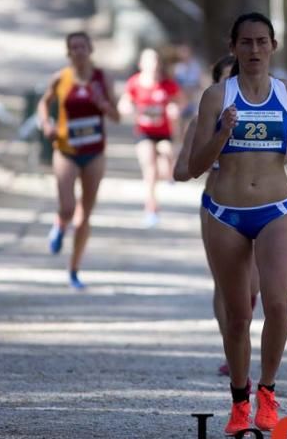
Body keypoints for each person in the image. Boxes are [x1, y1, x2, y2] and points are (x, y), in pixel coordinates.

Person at [189, 12, 287, 436]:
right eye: (245, 43)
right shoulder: (216, 97)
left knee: (278, 304)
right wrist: (221, 133)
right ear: (233, 48)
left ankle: (268, 392)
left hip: (275, 210)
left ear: (273, 47)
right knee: (236, 317)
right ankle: (238, 400)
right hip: (225, 213)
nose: (254, 50)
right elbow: (196, 165)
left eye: (261, 42)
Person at [173, 55, 259, 377]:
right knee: (226, 285)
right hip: (216, 206)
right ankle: (233, 349)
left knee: (252, 287)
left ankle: (238, 336)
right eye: (223, 82)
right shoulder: (200, 123)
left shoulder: (259, 117)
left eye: (233, 81)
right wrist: (205, 160)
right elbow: (180, 170)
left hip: (255, 204)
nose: (229, 89)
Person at [37, 32, 120, 290]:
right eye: (73, 47)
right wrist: (46, 123)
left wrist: (102, 104)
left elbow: (117, 116)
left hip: (94, 151)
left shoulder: (101, 78)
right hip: (66, 149)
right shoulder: (61, 78)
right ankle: (60, 225)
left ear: (90, 49)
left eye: (83, 46)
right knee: (67, 207)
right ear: (68, 52)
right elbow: (44, 103)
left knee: (85, 215)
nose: (79, 51)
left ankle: (74, 269)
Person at [118, 48, 181, 228]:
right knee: (149, 169)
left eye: (155, 61)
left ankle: (169, 173)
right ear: (141, 64)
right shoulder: (135, 83)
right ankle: (151, 209)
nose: (152, 65)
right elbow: (124, 103)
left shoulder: (167, 84)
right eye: (149, 61)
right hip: (144, 132)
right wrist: (127, 108)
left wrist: (174, 108)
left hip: (164, 132)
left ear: (159, 64)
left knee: (167, 153)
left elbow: (180, 101)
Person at [172, 44, 204, 121]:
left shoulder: (196, 66)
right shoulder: (177, 68)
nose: (184, 55)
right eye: (182, 52)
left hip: (194, 99)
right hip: (182, 99)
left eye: (186, 52)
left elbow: (200, 83)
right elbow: (175, 85)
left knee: (194, 120)